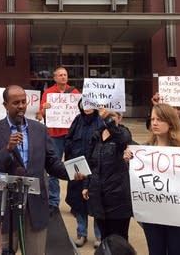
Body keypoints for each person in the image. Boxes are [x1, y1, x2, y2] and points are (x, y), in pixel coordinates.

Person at [0, 84, 80, 255]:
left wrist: (72, 173)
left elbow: (52, 163)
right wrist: (7, 150)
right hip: (5, 206)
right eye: (15, 103)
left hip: (35, 206)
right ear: (5, 105)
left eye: (23, 101)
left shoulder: (40, 130)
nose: (21, 106)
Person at [140, 103, 180, 255]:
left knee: (178, 251)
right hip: (153, 212)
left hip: (177, 214)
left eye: (159, 119)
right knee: (155, 251)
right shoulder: (144, 150)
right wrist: (129, 163)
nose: (154, 123)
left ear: (170, 122)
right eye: (152, 119)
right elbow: (138, 183)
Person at [82, 107, 132, 241]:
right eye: (106, 115)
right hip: (98, 195)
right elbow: (90, 163)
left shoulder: (124, 133)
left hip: (118, 196)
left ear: (120, 118)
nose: (108, 117)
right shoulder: (97, 135)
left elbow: (122, 141)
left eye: (112, 115)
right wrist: (86, 185)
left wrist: (107, 120)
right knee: (105, 237)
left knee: (119, 238)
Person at [36, 66, 80, 214]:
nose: (63, 77)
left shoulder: (74, 92)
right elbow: (39, 115)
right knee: (53, 168)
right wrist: (44, 109)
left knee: (74, 168)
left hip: (72, 136)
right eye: (60, 75)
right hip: (54, 135)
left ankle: (75, 202)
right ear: (54, 78)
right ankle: (53, 202)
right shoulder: (48, 93)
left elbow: (82, 111)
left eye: (65, 75)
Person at [64, 101, 103, 248]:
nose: (87, 108)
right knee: (79, 202)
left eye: (90, 104)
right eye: (84, 105)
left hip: (96, 168)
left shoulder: (101, 121)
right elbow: (68, 139)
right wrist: (71, 156)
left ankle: (99, 236)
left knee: (97, 202)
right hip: (78, 169)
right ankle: (81, 233)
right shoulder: (77, 120)